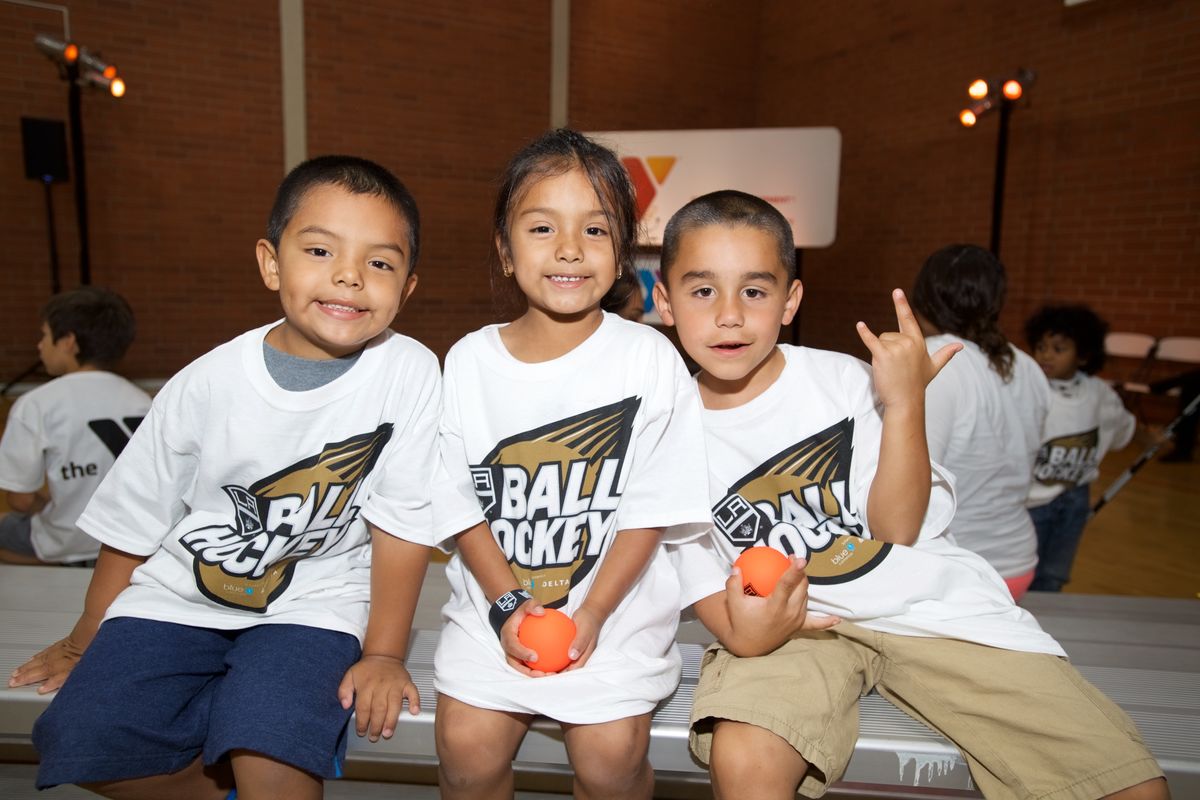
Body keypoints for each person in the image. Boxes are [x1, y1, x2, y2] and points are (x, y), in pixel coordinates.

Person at [654, 190, 1167, 800]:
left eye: (756, 291)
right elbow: (726, 615)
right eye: (703, 290)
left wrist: (905, 404)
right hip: (795, 633)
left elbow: (895, 530)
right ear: (665, 302)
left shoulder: (843, 382)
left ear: (790, 301)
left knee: (1124, 783)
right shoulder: (665, 431)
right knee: (746, 765)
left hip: (927, 609)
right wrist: (752, 634)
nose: (730, 315)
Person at [9, 155, 440, 800]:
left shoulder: (409, 372)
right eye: (320, 249)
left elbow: (403, 524)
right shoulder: (207, 381)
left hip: (312, 605)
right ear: (271, 263)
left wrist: (383, 652)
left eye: (379, 262)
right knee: (81, 735)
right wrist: (83, 637)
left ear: (406, 288)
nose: (349, 275)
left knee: (272, 749)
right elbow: (134, 516)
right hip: (178, 596)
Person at [430, 129, 712, 800]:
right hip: (494, 609)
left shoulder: (647, 359)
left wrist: (593, 616)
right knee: (466, 750)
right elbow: (460, 503)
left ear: (623, 252)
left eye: (595, 229)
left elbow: (651, 511)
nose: (568, 250)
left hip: (615, 615)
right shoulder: (469, 361)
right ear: (504, 249)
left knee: (609, 760)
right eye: (541, 227)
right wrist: (506, 609)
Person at [910, 244, 1050, 600]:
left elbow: (913, 482)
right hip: (1016, 561)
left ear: (924, 298)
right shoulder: (1028, 365)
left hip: (959, 568)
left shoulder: (935, 359)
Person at [0, 287, 151, 565]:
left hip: (68, 538)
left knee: (10, 524)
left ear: (69, 342)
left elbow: (20, 500)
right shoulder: (144, 401)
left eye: (44, 335)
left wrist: (44, 506)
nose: (39, 345)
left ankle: (64, 561)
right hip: (133, 541)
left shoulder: (36, 403)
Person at [1024, 304, 1136, 591]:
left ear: (1084, 355)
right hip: (1032, 502)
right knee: (1027, 566)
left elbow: (1123, 430)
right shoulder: (1030, 389)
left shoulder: (1099, 394)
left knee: (1055, 572)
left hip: (1075, 499)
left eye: (1058, 349)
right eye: (1041, 346)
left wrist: (1149, 438)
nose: (1046, 354)